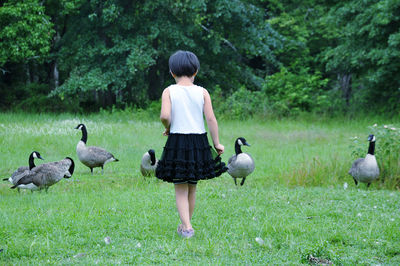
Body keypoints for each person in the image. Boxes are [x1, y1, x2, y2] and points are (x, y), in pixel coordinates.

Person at [156, 50, 227, 238]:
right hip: (198, 141)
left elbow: (164, 115)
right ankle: (185, 224)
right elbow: (211, 119)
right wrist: (217, 143)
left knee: (180, 186)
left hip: (178, 141)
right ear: (196, 71)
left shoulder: (169, 91)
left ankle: (187, 228)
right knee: (192, 186)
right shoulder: (202, 92)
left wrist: (168, 127)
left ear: (172, 72)